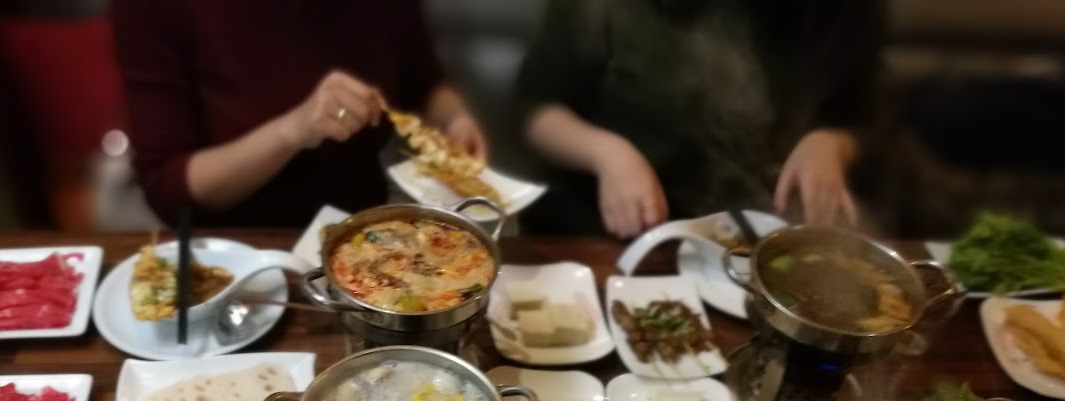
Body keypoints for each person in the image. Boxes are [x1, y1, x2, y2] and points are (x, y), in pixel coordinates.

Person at [517, 0, 886, 238]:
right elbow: (534, 109)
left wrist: (831, 144)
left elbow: (867, 115)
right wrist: (608, 154)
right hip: (616, 232)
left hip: (767, 239)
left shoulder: (841, 11)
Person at [111, 0, 487, 227]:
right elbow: (167, 185)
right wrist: (292, 131)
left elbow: (424, 80)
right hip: (234, 252)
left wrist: (453, 118)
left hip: (365, 231)